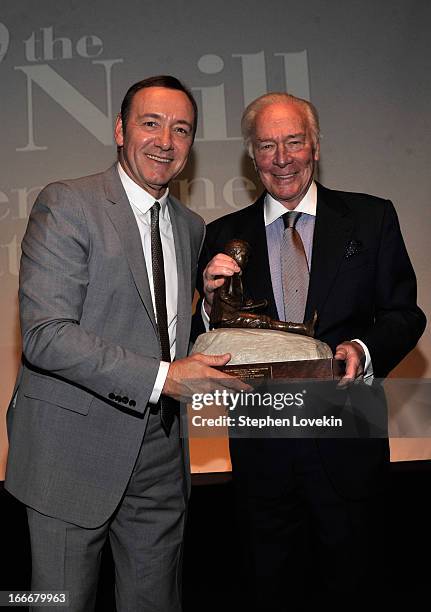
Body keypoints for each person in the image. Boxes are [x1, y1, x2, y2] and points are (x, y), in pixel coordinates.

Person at [5, 75, 242, 612]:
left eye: (181, 130)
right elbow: (46, 336)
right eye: (150, 123)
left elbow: (158, 329)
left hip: (161, 452)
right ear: (119, 129)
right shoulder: (67, 203)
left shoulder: (190, 226)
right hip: (70, 451)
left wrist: (206, 307)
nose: (165, 140)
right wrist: (165, 378)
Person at [197, 92, 426, 610]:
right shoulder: (221, 235)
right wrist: (210, 303)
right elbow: (203, 336)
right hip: (262, 452)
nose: (281, 157)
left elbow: (404, 315)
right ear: (251, 156)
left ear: (315, 146)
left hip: (348, 444)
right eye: (267, 145)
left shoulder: (371, 219)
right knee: (269, 588)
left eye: (294, 142)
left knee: (356, 588)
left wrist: (363, 349)